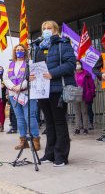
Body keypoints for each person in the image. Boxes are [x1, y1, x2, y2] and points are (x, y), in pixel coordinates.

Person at [32, 21, 76, 167]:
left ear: (56, 30)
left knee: (59, 122)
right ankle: (49, 153)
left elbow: (71, 64)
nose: (46, 30)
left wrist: (52, 73)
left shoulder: (63, 44)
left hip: (57, 89)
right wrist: (31, 75)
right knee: (48, 123)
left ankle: (61, 155)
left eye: (49, 28)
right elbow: (35, 67)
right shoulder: (38, 47)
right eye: (43, 28)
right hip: (42, 90)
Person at [5, 44, 41, 151]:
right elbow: (5, 78)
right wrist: (13, 87)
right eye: (17, 50)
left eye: (21, 50)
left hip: (27, 94)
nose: (19, 51)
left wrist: (21, 87)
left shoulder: (29, 63)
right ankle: (23, 141)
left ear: (25, 51)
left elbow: (32, 77)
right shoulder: (10, 64)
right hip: (13, 94)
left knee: (29, 117)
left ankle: (35, 140)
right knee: (19, 118)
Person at [73, 60, 95, 135]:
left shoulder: (86, 73)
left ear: (81, 65)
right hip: (75, 95)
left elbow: (91, 84)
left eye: (78, 64)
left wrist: (92, 93)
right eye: (76, 64)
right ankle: (77, 128)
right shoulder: (72, 74)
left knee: (84, 112)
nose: (77, 65)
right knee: (77, 113)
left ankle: (85, 128)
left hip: (84, 95)